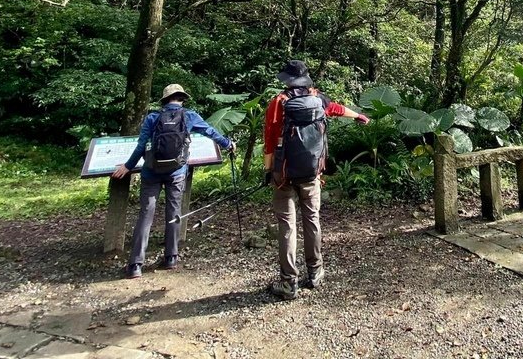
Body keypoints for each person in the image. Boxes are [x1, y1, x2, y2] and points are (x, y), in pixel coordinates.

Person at [263, 59, 369, 300]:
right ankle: (316, 272)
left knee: (287, 226)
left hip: (284, 175)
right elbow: (338, 109)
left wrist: (268, 170)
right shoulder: (318, 98)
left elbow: (270, 140)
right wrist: (359, 116)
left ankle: (289, 282)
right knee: (312, 220)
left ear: (286, 81)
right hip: (312, 172)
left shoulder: (279, 103)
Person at [111, 83, 234, 279]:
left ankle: (135, 264)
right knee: (174, 212)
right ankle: (171, 258)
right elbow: (210, 132)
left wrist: (128, 166)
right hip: (176, 172)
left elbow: (141, 145)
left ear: (165, 100)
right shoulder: (189, 116)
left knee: (145, 214)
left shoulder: (153, 118)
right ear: (182, 98)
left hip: (151, 173)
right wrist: (228, 144)